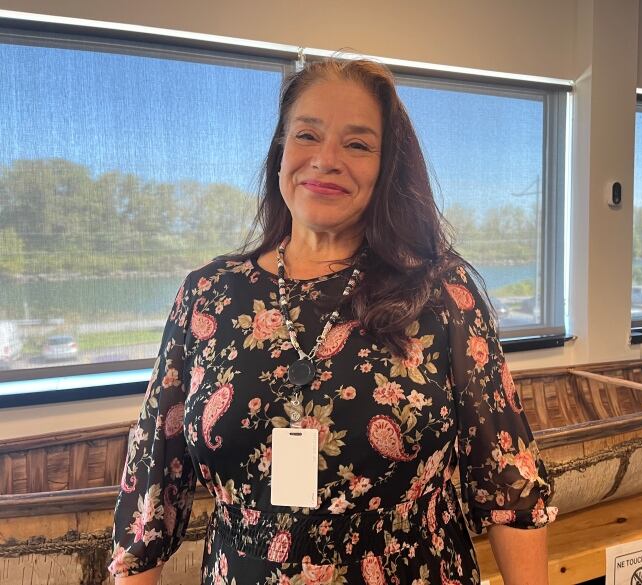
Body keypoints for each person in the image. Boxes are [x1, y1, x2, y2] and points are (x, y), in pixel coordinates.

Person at [109, 57, 557, 585]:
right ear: (280, 152)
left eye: (358, 144)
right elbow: (151, 491)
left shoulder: (442, 294)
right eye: (307, 135)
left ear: (387, 167)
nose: (326, 160)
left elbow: (510, 480)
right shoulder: (206, 295)